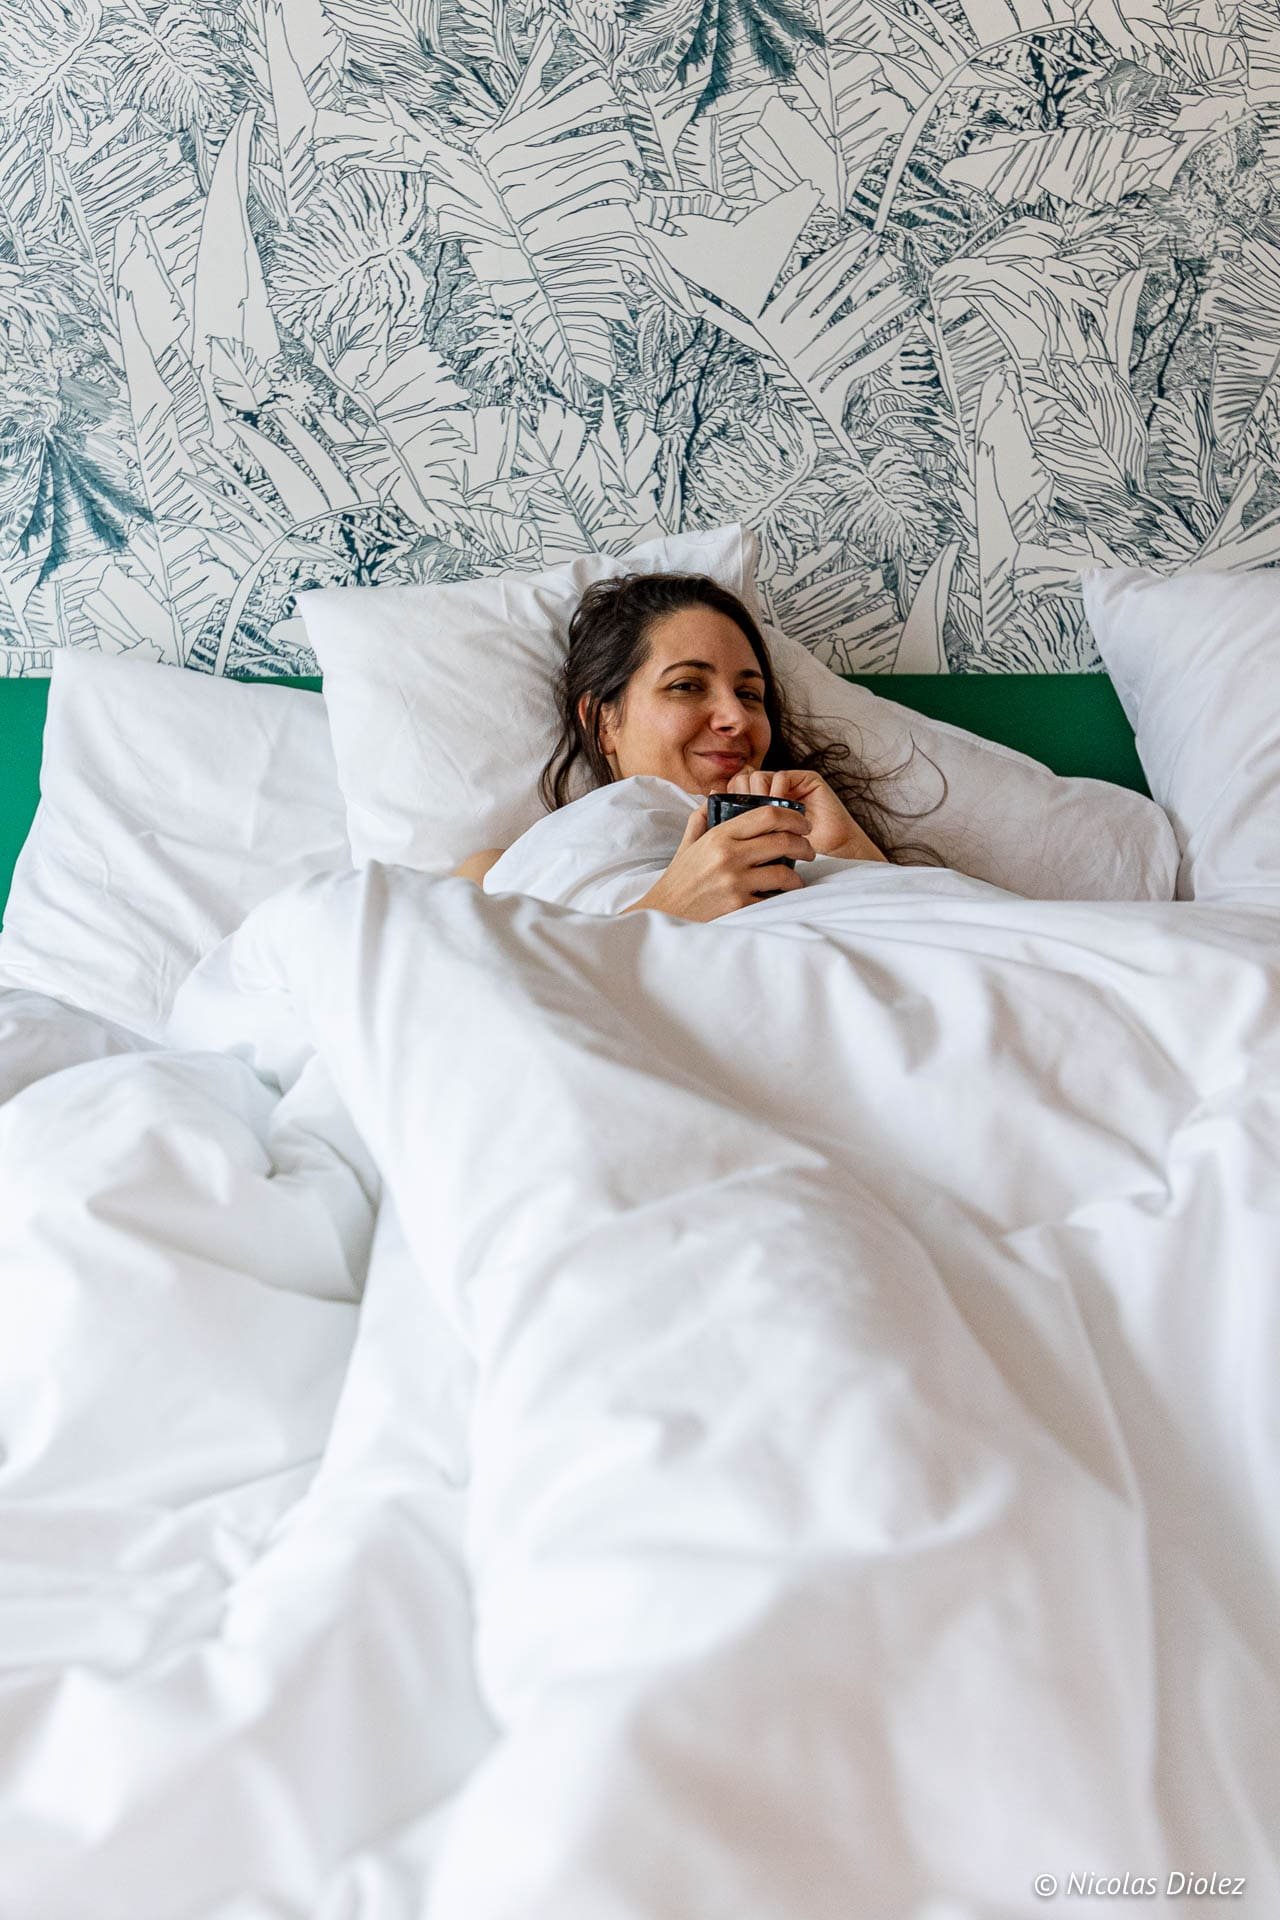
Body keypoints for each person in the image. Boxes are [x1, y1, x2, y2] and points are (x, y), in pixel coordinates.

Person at [454, 572, 947, 923]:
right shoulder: (499, 873)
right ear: (602, 720)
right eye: (687, 686)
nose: (736, 718)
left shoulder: (826, 838)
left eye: (750, 695)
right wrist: (669, 909)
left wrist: (852, 859)